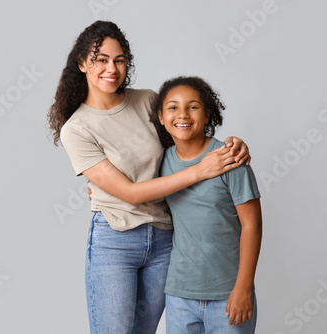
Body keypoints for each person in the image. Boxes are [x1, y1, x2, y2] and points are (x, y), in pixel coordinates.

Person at [48, 21, 251, 334]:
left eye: (119, 60)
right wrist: (201, 170)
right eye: (101, 59)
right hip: (115, 240)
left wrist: (231, 147)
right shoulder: (76, 129)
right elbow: (129, 192)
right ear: (81, 63)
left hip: (165, 239)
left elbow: (187, 146)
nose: (111, 68)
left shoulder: (146, 101)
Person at [150, 76, 262, 334]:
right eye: (173, 107)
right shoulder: (160, 161)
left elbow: (252, 224)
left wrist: (243, 288)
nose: (183, 115)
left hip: (228, 294)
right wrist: (98, 190)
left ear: (207, 112)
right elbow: (134, 187)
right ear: (161, 116)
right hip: (179, 295)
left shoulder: (229, 158)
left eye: (193, 106)